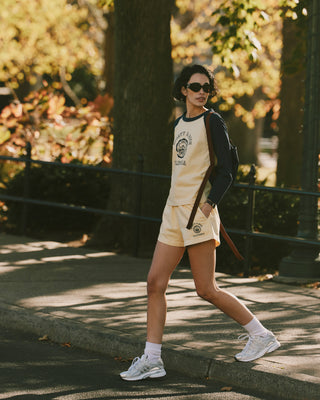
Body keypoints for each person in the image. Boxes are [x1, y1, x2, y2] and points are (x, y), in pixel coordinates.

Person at [120, 64, 280, 381]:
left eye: (206, 87)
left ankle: (260, 334)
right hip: (172, 212)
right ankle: (152, 358)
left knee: (205, 289)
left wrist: (209, 205)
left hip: (198, 213)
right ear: (183, 90)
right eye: (195, 87)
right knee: (155, 283)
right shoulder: (179, 124)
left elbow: (227, 171)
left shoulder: (212, 121)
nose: (201, 92)